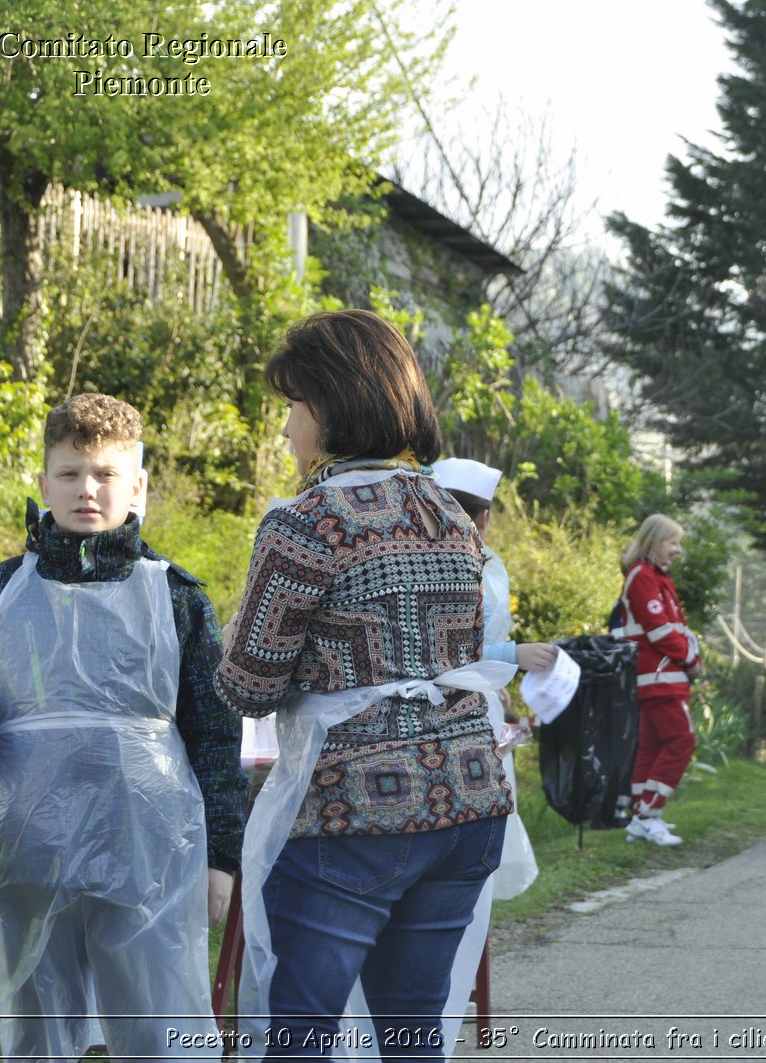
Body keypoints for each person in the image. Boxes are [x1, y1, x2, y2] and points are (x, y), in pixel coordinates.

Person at [215, 309, 512, 1061]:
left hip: (357, 813)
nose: (286, 429)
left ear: (333, 403)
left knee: (301, 1035)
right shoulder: (451, 512)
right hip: (467, 795)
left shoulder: (306, 520)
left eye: (294, 406)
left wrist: (235, 645)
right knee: (414, 1034)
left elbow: (248, 685)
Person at [0, 392, 246, 1061]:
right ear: (43, 484)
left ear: (138, 485)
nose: (87, 489)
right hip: (29, 844)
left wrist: (221, 857)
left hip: (151, 845)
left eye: (104, 474)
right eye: (69, 473)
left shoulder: (179, 597)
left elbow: (215, 734)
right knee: (39, 1020)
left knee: (161, 1020)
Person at [430, 456, 552, 1055]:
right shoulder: (460, 562)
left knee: (456, 888)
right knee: (455, 888)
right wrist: (511, 654)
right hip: (457, 732)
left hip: (471, 723)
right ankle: (432, 1027)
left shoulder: (472, 561)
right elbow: (453, 648)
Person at [612, 513, 701, 846]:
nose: (678, 550)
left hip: (658, 676)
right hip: (660, 677)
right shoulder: (643, 577)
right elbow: (661, 631)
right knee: (682, 741)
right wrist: (691, 660)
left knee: (651, 747)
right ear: (654, 542)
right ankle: (649, 814)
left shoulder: (653, 577)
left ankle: (641, 817)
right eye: (673, 542)